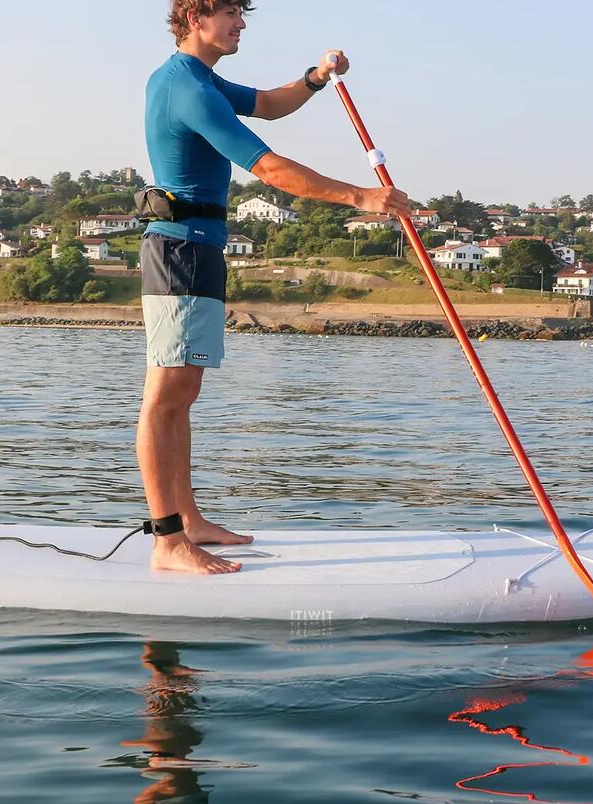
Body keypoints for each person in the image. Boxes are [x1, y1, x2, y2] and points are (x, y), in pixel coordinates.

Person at [141, 0, 409, 574]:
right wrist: (360, 197)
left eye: (243, 15)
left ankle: (188, 520)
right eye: (232, 14)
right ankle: (166, 540)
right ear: (196, 19)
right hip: (179, 249)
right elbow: (268, 168)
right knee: (165, 399)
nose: (241, 25)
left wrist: (315, 78)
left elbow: (267, 104)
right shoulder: (185, 88)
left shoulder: (204, 81)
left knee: (184, 394)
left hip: (199, 246)